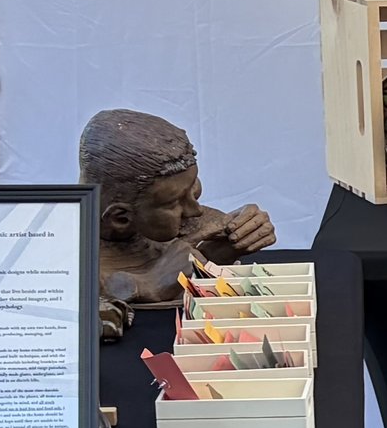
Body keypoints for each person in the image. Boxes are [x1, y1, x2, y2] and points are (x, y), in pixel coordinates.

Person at [78, 109, 276, 310]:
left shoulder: (189, 223)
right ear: (120, 218)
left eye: (193, 186)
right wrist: (149, 285)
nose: (196, 211)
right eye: (174, 202)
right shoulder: (70, 267)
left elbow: (194, 259)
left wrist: (212, 257)